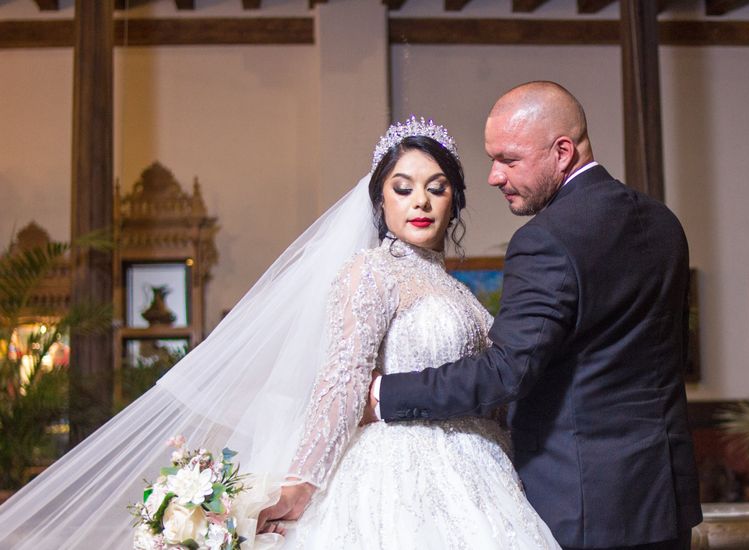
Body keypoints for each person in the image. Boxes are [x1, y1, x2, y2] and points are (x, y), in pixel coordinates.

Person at [0, 117, 559, 550]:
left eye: (437, 188)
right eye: (403, 187)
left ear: (454, 201)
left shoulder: (457, 292)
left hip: (480, 469)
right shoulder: (370, 273)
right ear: (380, 199)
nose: (420, 201)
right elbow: (342, 380)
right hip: (397, 467)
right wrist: (302, 481)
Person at [365, 82, 703, 550]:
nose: (493, 176)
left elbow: (506, 371)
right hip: (667, 500)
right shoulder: (664, 223)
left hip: (584, 506)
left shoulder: (546, 239)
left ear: (562, 152)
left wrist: (386, 392)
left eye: (508, 159)